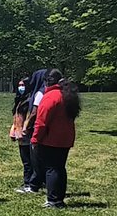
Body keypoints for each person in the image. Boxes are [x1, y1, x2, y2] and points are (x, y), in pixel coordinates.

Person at [32, 69, 81, 208]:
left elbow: (41, 122)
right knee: (60, 168)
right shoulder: (66, 95)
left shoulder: (50, 97)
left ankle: (53, 199)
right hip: (65, 139)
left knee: (51, 169)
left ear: (47, 81)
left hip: (51, 139)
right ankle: (59, 198)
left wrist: (35, 139)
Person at [16, 68, 50, 194]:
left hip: (32, 131)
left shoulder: (39, 94)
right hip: (40, 131)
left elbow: (34, 112)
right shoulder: (38, 93)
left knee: (31, 159)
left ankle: (31, 183)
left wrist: (26, 126)